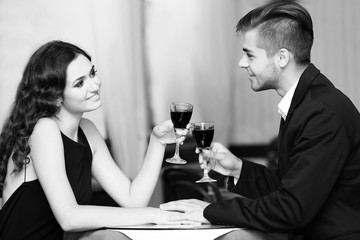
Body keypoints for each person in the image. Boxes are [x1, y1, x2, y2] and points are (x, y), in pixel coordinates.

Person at [160, 1, 360, 239]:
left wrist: (209, 211)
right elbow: (288, 187)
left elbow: (291, 208)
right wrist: (237, 168)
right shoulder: (306, 102)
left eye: (249, 54)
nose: (242, 63)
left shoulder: (321, 112)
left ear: (282, 58)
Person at [0, 40, 191, 240]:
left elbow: (133, 199)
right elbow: (69, 218)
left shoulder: (87, 130)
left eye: (92, 73)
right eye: (79, 83)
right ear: (55, 96)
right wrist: (153, 214)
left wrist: (157, 142)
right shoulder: (44, 129)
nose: (95, 84)